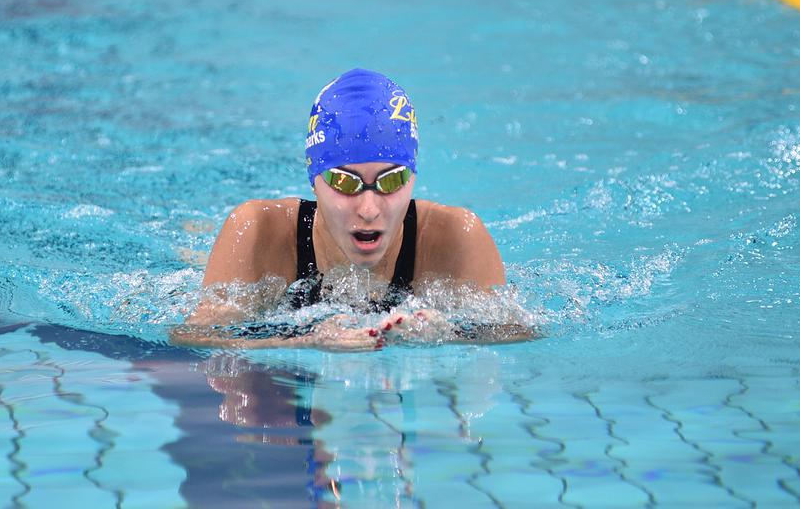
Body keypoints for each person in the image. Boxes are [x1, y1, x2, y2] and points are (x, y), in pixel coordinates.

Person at [171, 68, 532, 350]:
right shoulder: (255, 231)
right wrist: (305, 342)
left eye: (391, 181)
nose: (369, 209)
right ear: (314, 180)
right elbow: (194, 337)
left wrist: (449, 334)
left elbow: (520, 335)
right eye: (345, 183)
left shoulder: (457, 238)